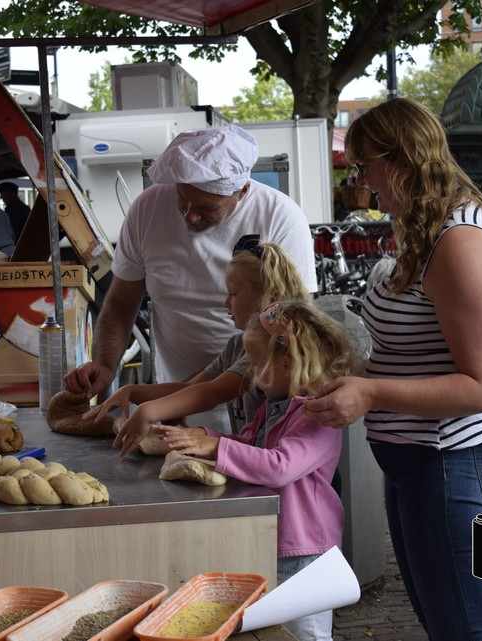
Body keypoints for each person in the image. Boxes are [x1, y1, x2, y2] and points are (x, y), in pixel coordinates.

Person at [301, 98, 482, 641]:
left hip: (450, 463)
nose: (359, 182)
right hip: (420, 464)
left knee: (463, 631)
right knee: (444, 625)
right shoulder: (427, 230)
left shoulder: (458, 242)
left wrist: (370, 393)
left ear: (401, 159)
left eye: (364, 166)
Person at [63, 125, 318, 429]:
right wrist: (107, 366)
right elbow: (120, 302)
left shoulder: (281, 217)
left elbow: (297, 320)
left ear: (242, 191)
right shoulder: (147, 209)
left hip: (260, 404)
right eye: (182, 201)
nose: (190, 216)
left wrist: (156, 404)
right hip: (176, 394)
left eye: (206, 207)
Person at [155, 300, 359, 641]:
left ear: (288, 362)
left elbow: (280, 466)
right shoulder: (274, 407)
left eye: (256, 363)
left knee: (307, 635)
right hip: (275, 540)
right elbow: (250, 445)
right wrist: (205, 437)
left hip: (305, 550)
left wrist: (216, 448)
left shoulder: (317, 416)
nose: (250, 372)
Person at [88, 236, 311, 453]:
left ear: (267, 295)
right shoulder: (237, 345)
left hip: (276, 462)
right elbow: (191, 387)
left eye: (233, 294)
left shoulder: (269, 350)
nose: (226, 303)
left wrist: (149, 411)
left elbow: (212, 393)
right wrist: (131, 392)